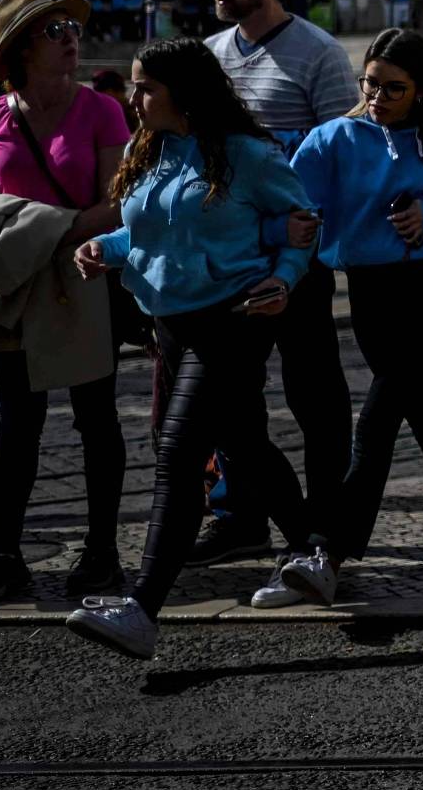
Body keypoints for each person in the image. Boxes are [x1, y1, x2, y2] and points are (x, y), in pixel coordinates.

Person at [63, 40, 316, 661]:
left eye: (145, 87)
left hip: (231, 319)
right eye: (134, 85)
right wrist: (107, 249)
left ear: (184, 90)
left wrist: (283, 278)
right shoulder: (145, 149)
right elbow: (150, 229)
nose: (134, 98)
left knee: (178, 454)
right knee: (245, 445)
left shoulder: (248, 155)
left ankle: (143, 609)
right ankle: (315, 552)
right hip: (167, 323)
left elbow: (303, 222)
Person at [258, 31, 423, 609]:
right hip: (368, 293)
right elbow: (292, 206)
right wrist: (286, 253)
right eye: (371, 83)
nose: (378, 96)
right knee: (421, 410)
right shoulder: (333, 138)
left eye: (394, 88)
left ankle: (324, 552)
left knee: (377, 420)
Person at [0, 0, 132, 606]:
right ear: (20, 51)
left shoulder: (102, 110)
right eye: (54, 30)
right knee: (18, 424)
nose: (71, 38)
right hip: (19, 287)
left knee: (95, 419)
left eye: (71, 29)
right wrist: (28, 240)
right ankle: (4, 555)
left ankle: (102, 551)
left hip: (85, 276)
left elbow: (118, 204)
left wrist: (52, 229)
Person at [190, 0, 356, 568]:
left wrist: (310, 244)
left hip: (298, 262)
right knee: (232, 396)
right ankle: (239, 515)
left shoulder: (319, 55)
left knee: (314, 392)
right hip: (228, 262)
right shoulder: (209, 56)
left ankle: (325, 520)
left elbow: (340, 160)